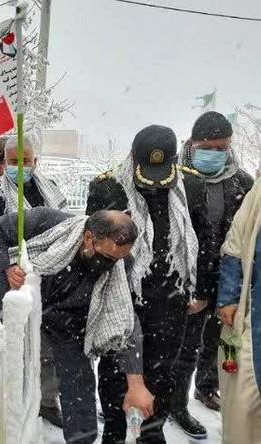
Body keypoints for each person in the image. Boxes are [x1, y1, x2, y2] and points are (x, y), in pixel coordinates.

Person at [86, 124, 215, 443]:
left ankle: (151, 432)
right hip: (121, 297)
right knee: (115, 373)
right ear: (133, 157)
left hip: (171, 298)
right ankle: (115, 432)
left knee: (162, 373)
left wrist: (201, 291)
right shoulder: (107, 188)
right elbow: (91, 246)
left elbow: (205, 240)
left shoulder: (192, 186)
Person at [0, 207, 153, 444]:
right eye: (107, 258)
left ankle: (81, 439)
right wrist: (6, 267)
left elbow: (125, 318)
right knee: (13, 377)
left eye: (118, 259)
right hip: (23, 308)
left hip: (70, 324)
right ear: (88, 237)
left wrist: (135, 383)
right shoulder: (47, 222)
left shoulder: (120, 264)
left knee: (79, 385)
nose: (111, 265)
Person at [0, 133, 66, 427]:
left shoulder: (49, 190)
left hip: (45, 278)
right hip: (3, 280)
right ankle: (6, 400)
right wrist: (1, 266)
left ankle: (47, 400)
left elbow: (58, 229)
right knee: (8, 342)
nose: (20, 166)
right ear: (3, 162)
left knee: (47, 344)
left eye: (26, 161)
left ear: (35, 161)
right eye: (13, 161)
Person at [169, 112, 253, 437]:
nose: (216, 153)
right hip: (189, 279)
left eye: (222, 148)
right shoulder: (174, 177)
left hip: (228, 280)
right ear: (193, 143)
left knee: (223, 341)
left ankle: (209, 386)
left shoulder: (241, 182)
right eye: (209, 147)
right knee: (186, 345)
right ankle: (177, 403)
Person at [216, 178, 261, 444]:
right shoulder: (258, 195)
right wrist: (229, 298)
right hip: (252, 318)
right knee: (243, 405)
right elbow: (234, 248)